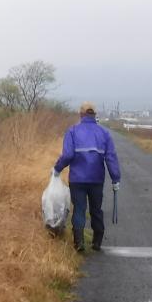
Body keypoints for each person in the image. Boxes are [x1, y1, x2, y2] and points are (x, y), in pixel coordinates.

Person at [54, 101, 121, 252]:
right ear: (95, 115)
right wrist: (115, 178)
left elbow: (68, 155)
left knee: (79, 209)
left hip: (77, 179)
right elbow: (110, 157)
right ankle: (97, 242)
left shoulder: (72, 131)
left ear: (81, 114)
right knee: (96, 209)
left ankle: (79, 243)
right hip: (96, 179)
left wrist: (57, 169)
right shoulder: (104, 133)